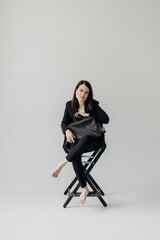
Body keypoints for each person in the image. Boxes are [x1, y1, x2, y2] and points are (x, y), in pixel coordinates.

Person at [51, 80, 109, 204]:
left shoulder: (93, 105)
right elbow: (63, 123)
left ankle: (63, 163)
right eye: (81, 90)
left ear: (89, 95)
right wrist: (66, 131)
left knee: (83, 141)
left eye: (86, 93)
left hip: (93, 140)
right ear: (76, 91)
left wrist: (87, 114)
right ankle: (85, 188)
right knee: (75, 153)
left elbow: (106, 119)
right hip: (76, 139)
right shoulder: (69, 105)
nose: (83, 94)